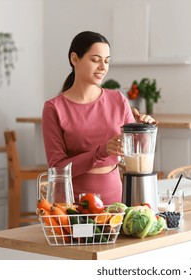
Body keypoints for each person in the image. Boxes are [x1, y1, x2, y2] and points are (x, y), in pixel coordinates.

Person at [42, 31, 157, 205]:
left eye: (107, 60)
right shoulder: (54, 108)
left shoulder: (118, 100)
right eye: (95, 60)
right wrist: (101, 151)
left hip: (117, 199)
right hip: (75, 203)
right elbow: (57, 169)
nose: (103, 67)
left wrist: (142, 131)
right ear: (74, 59)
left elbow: (135, 155)